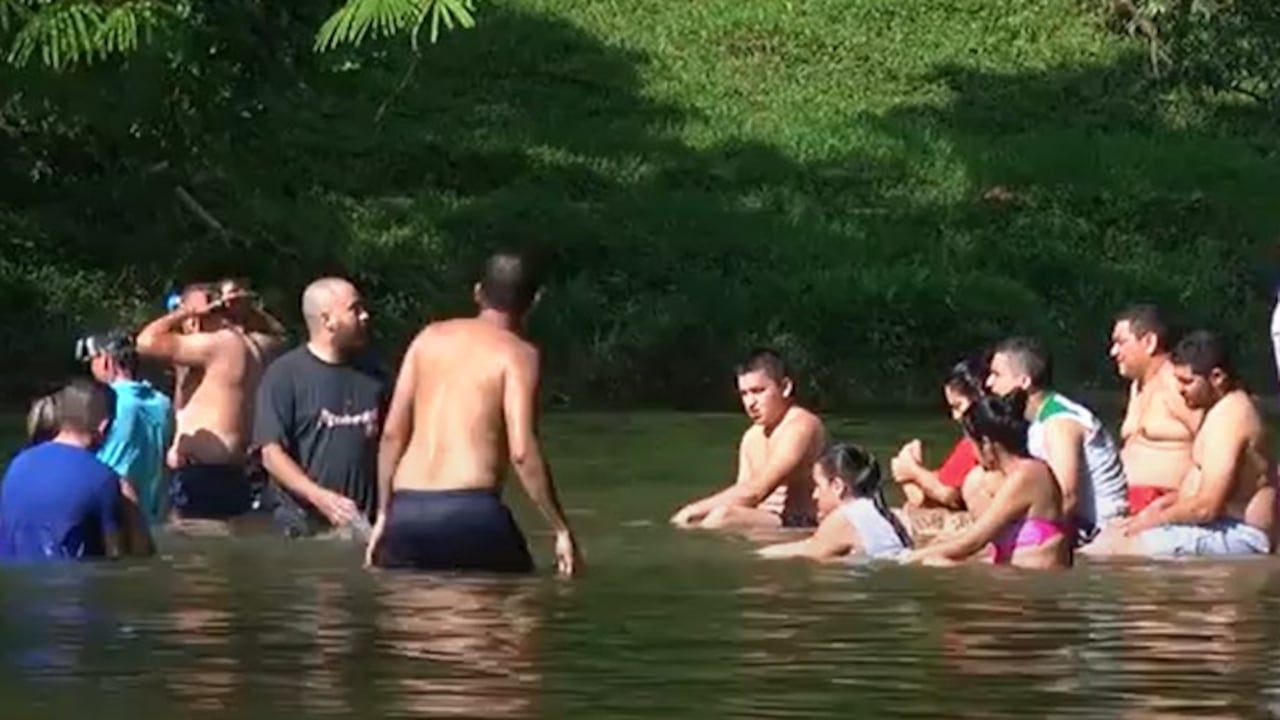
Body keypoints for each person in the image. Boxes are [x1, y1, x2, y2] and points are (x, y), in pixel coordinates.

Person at [366, 251, 580, 574]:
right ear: (535, 301)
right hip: (470, 511)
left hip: (406, 510)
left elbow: (392, 435)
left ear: (478, 293)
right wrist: (560, 528)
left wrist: (384, 515)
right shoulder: (518, 354)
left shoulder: (427, 338)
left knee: (419, 619)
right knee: (517, 614)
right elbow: (522, 452)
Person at [1082, 331, 1275, 557]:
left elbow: (1206, 507)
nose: (1180, 390)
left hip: (1242, 535)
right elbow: (1204, 489)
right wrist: (1158, 507)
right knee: (1108, 538)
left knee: (1115, 549)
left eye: (1187, 382)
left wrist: (1151, 520)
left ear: (1217, 377)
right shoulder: (1217, 410)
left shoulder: (1232, 416)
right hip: (1216, 526)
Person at [253, 277, 387, 538]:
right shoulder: (285, 374)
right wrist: (320, 498)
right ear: (328, 321)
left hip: (363, 529)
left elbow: (393, 442)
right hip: (302, 530)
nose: (365, 316)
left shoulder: (377, 375)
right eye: (354, 309)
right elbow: (270, 454)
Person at [135, 280, 270, 522]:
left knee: (193, 553)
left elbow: (145, 342)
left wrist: (184, 311)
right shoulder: (252, 345)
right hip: (233, 473)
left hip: (205, 475)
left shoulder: (218, 344)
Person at [900, 392, 1073, 570]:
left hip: (1031, 583)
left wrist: (906, 560)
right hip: (1012, 577)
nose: (972, 454)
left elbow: (973, 541)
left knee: (935, 561)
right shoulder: (1007, 477)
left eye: (972, 445)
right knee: (937, 557)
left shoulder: (1029, 475)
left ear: (986, 444)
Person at [986, 337, 1128, 542]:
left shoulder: (1059, 423)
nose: (988, 383)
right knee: (986, 481)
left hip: (1097, 530)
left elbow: (1067, 498)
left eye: (996, 375)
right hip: (1077, 522)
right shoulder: (1040, 416)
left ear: (1024, 382)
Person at [670, 349, 827, 530]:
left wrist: (692, 510)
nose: (750, 403)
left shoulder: (801, 426)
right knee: (714, 516)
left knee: (723, 516)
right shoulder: (751, 437)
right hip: (767, 521)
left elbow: (756, 491)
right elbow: (742, 493)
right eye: (744, 394)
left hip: (805, 524)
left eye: (758, 391)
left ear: (785, 388)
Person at [0, 380, 126, 561]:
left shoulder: (16, 465)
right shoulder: (103, 479)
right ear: (104, 427)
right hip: (72, 584)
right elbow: (118, 559)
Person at [1109, 304, 1203, 514]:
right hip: (1124, 501)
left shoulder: (1176, 384)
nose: (1113, 351)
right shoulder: (1137, 386)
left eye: (1121, 342)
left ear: (1149, 342)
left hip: (1162, 504)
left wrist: (1186, 498)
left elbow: (1218, 442)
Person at [76, 330, 174, 526]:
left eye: (92, 361)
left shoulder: (105, 401)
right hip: (150, 519)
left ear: (106, 361)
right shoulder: (162, 403)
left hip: (108, 514)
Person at [757, 443, 912, 562]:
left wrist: (755, 554)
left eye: (818, 486)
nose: (815, 495)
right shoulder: (895, 514)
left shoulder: (843, 518)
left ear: (837, 486)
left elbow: (808, 551)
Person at [890, 356, 988, 524]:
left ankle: (913, 489)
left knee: (914, 507)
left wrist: (911, 470)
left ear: (978, 397)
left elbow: (946, 492)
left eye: (958, 406)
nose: (955, 416)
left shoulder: (977, 441)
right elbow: (947, 479)